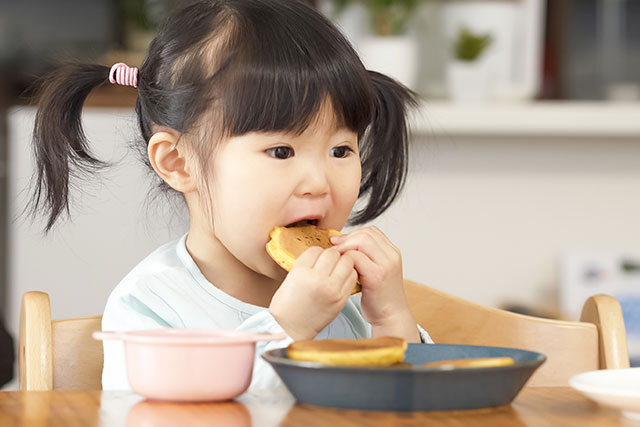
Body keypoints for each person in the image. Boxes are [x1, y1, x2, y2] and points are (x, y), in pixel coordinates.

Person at [28, 0, 432, 391]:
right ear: (179, 163)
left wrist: (392, 318)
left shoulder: (351, 302)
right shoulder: (153, 307)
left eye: (340, 150)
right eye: (281, 151)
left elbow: (418, 409)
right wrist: (284, 328)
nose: (318, 182)